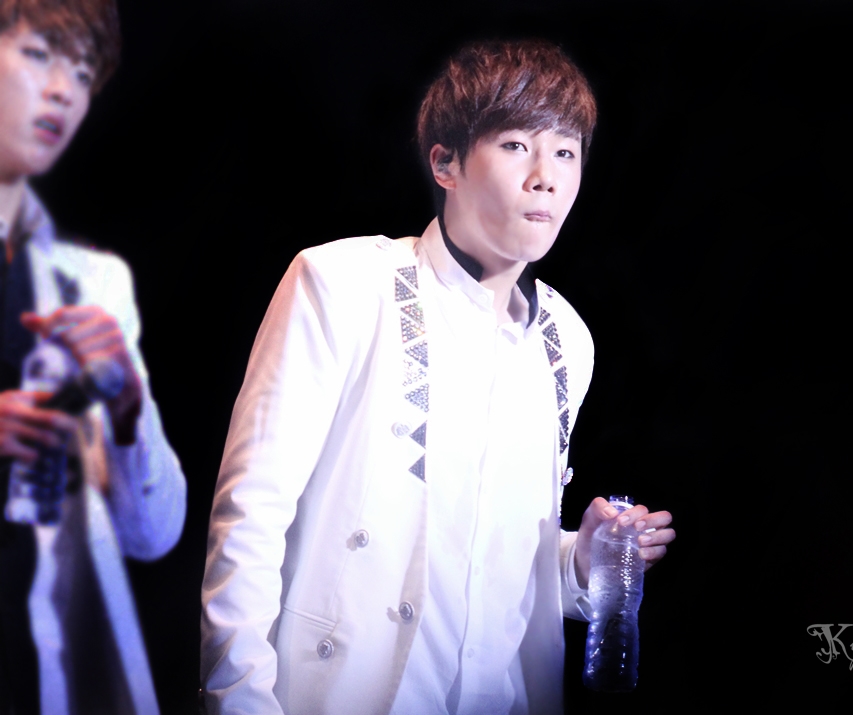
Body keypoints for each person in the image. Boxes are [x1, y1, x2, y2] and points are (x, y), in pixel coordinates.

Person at [201, 39, 675, 715]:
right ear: (445, 162)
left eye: (566, 152)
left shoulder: (568, 339)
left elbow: (490, 551)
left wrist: (578, 562)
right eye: (516, 145)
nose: (545, 176)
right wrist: (239, 701)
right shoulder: (343, 283)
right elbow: (250, 518)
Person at [0, 1, 187, 713]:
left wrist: (130, 406)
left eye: (83, 74)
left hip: (42, 666)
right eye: (40, 55)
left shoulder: (92, 282)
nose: (64, 91)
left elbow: (153, 534)